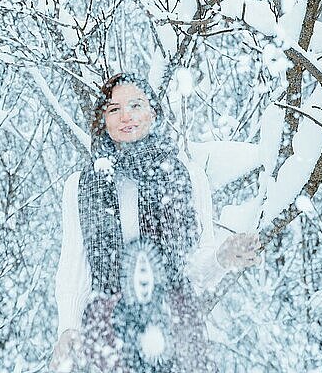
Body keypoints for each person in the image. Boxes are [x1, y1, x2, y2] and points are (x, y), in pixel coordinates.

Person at [50, 73, 260, 372]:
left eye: (136, 105)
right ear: (102, 121)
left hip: (175, 319)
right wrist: (68, 327)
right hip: (108, 326)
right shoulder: (81, 185)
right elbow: (74, 266)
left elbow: (195, 266)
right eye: (113, 109)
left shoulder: (186, 175)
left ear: (153, 112)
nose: (126, 116)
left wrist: (222, 257)